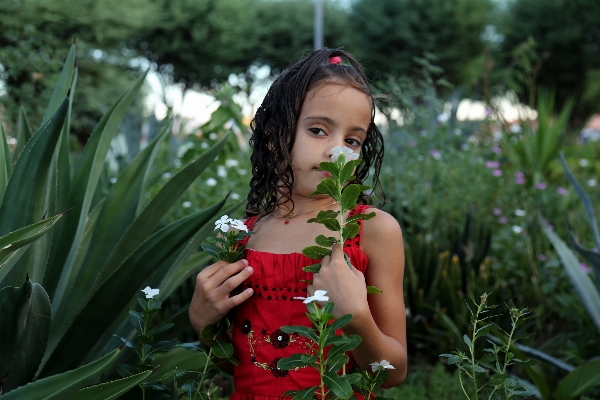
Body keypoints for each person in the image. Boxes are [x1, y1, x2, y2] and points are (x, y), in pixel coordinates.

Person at [189, 48, 407, 399]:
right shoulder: (241, 238)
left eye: (352, 140)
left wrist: (356, 317)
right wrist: (203, 323)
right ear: (275, 136)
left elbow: (394, 373)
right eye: (318, 130)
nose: (338, 151)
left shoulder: (372, 230)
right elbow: (242, 364)